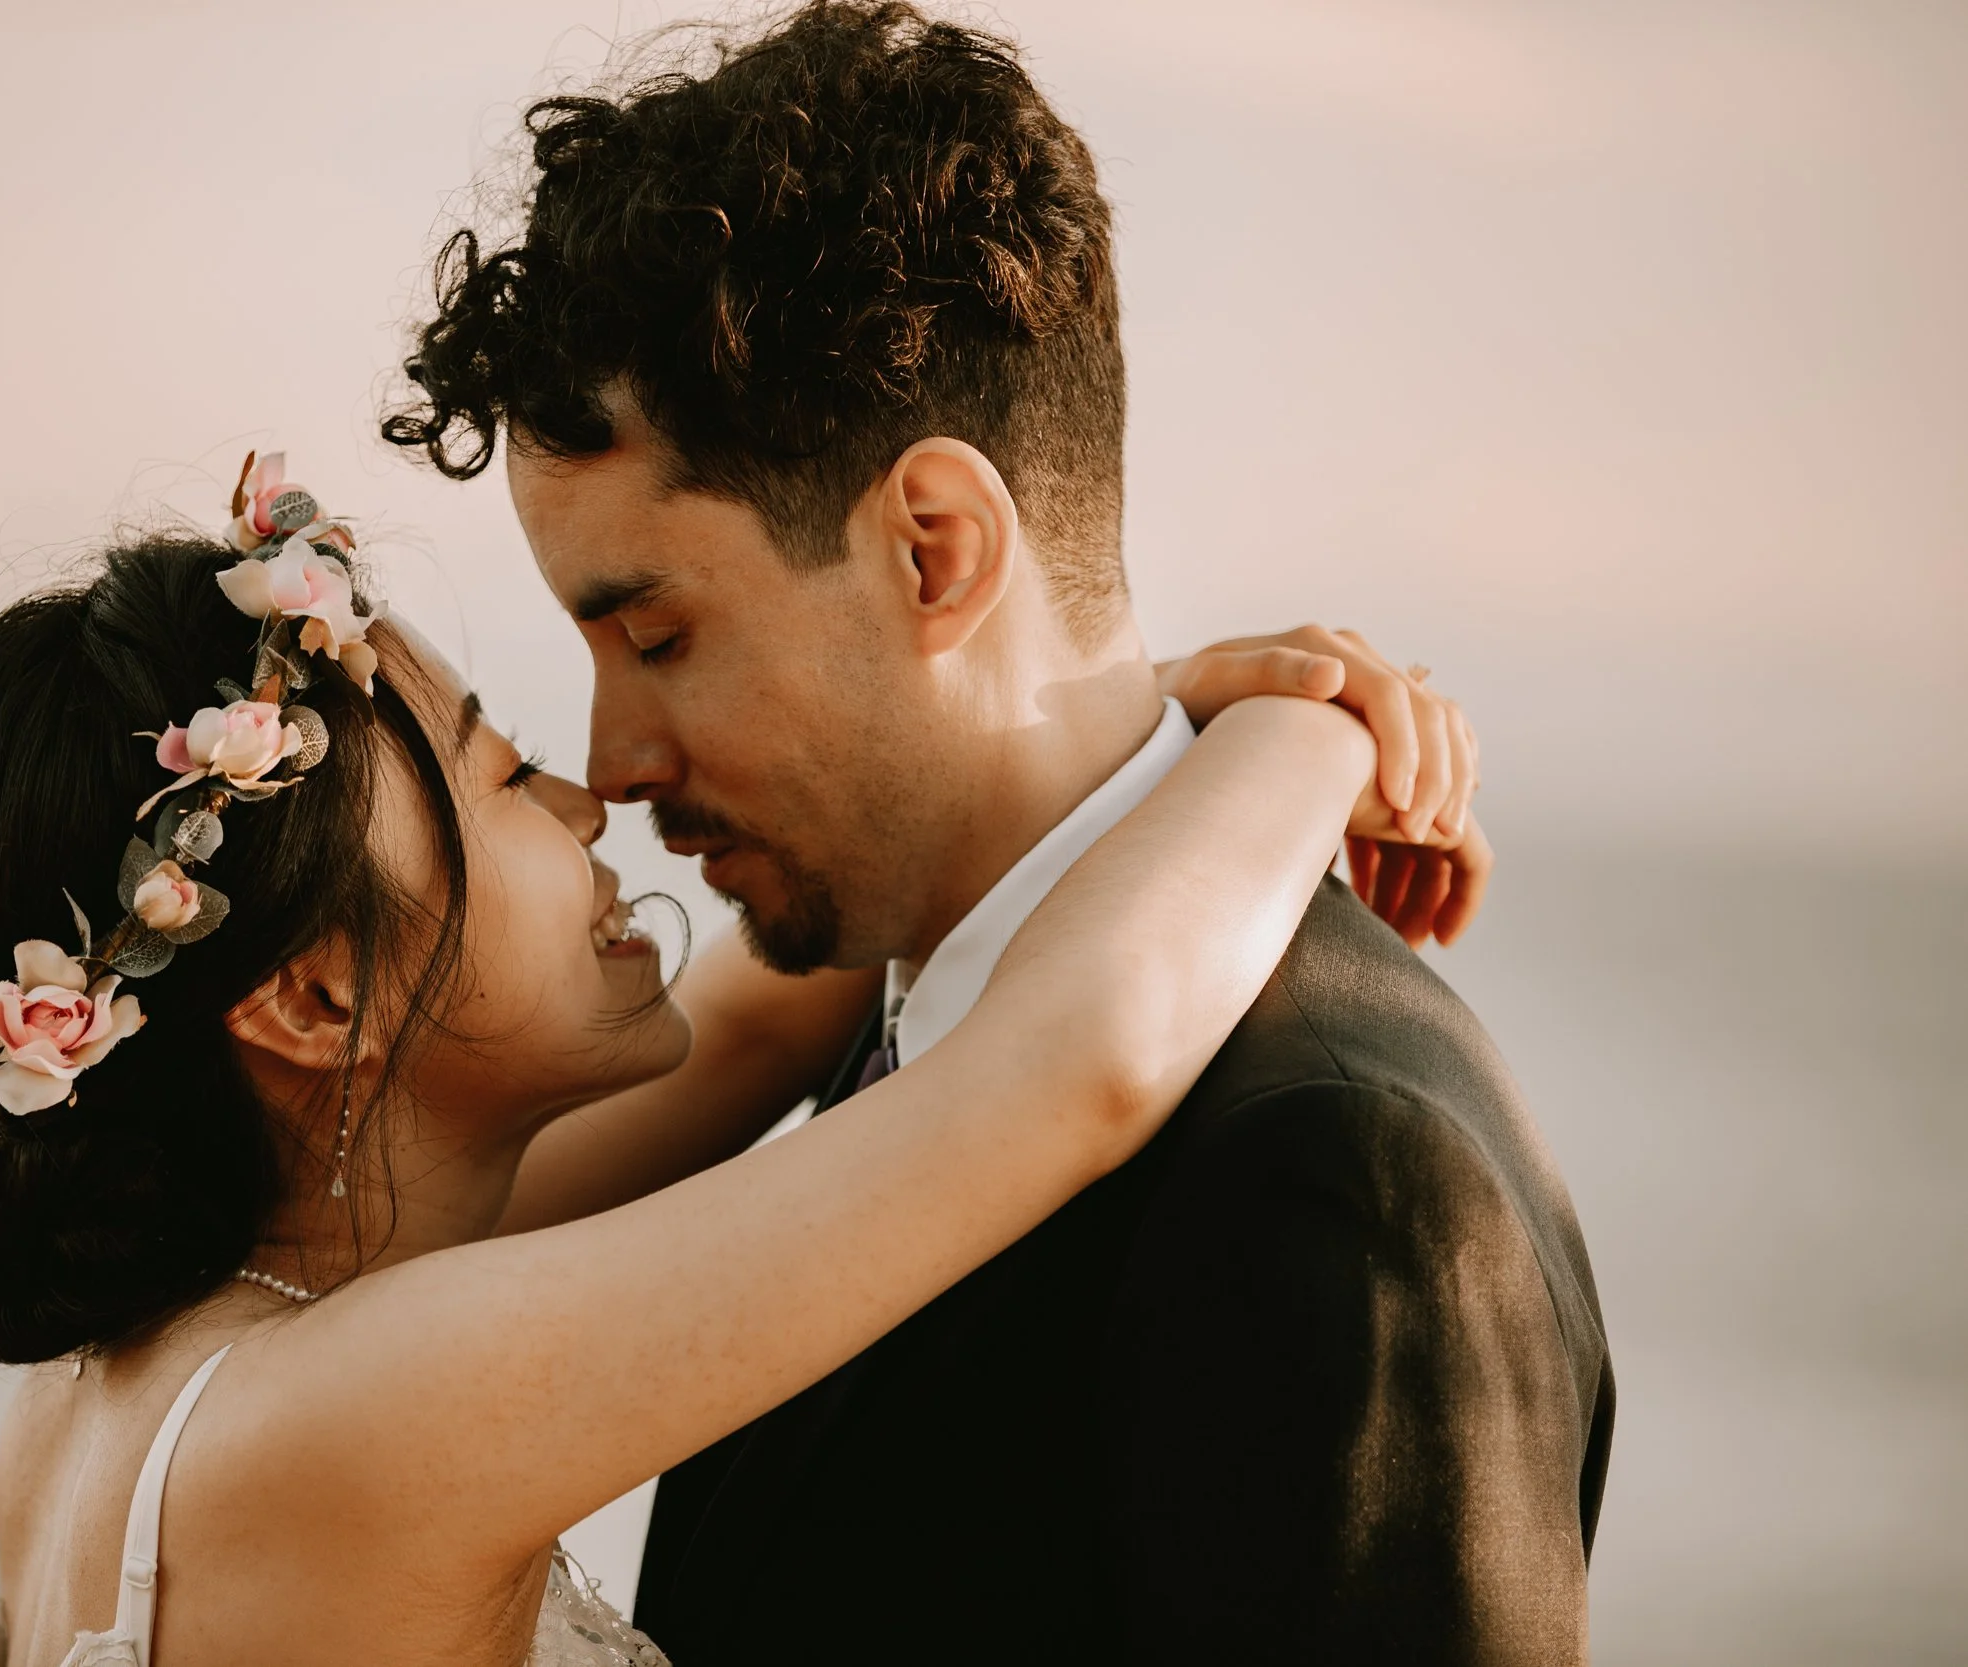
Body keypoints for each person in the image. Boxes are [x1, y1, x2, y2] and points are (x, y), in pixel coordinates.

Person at [383, 3, 1613, 1660]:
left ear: (936, 550)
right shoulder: (890, 1027)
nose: (609, 758)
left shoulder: (1337, 1188)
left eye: (659, 635)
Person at [0, 472, 1466, 1663]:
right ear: (313, 995)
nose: (585, 795)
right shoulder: (366, 1409)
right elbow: (1079, 1060)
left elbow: (776, 1015)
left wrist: (1121, 718)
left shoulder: (164, 1364)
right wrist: (1320, 734)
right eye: (496, 776)